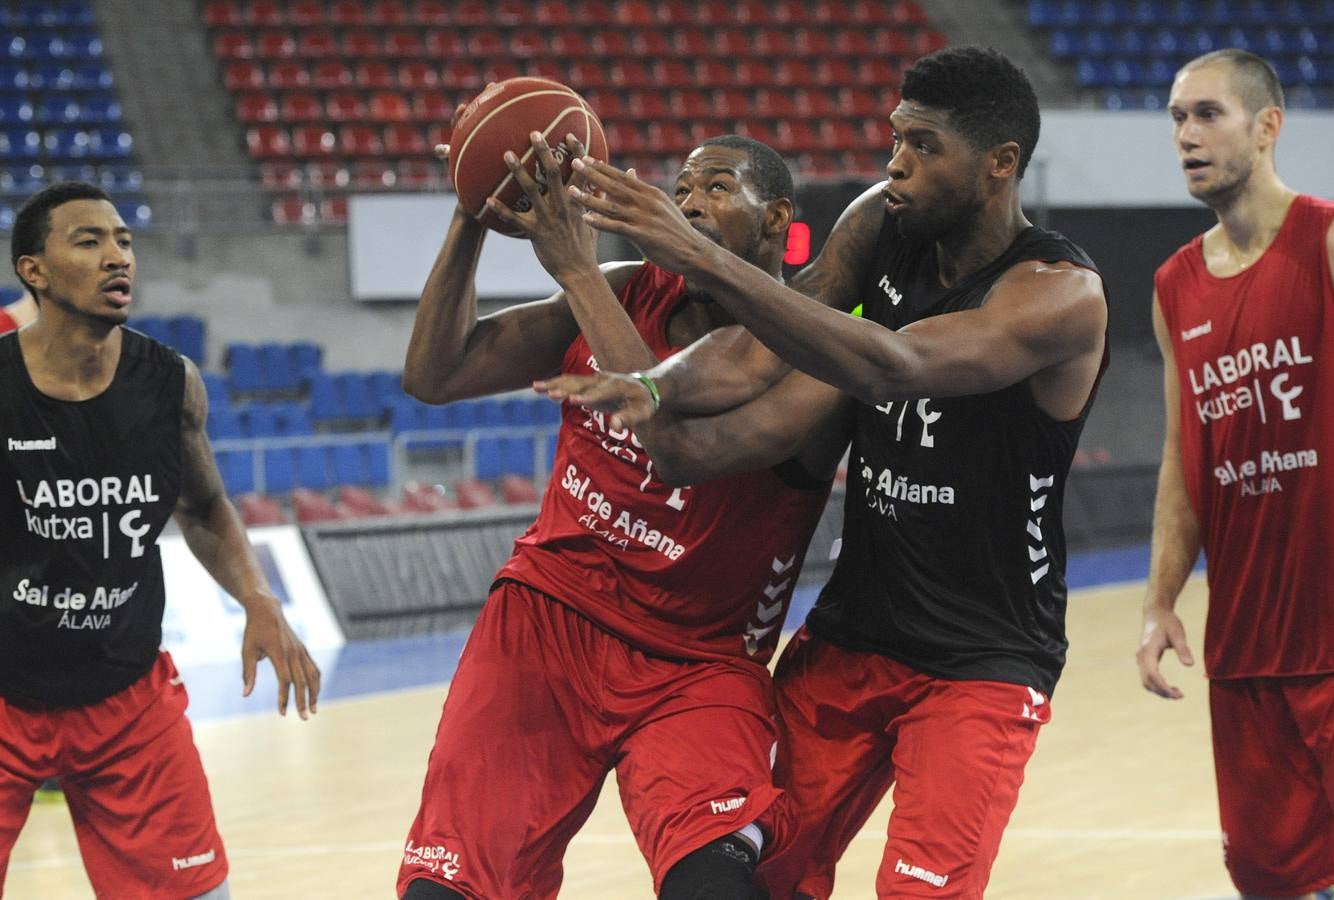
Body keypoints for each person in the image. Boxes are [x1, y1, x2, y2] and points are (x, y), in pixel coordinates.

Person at [543, 45, 1109, 897]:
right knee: (756, 877)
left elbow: (888, 364)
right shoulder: (881, 220)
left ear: (1000, 165)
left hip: (983, 658)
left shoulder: (1060, 295)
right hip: (854, 632)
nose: (895, 164)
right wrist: (654, 383)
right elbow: (776, 337)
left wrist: (697, 257)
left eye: (922, 146)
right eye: (895, 139)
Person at [396, 129, 841, 899]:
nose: (691, 204)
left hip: (698, 660)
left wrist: (575, 269)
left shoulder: (806, 346)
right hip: (547, 621)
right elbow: (437, 373)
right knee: (444, 890)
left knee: (716, 888)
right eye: (684, 190)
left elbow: (669, 439)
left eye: (716, 189)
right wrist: (473, 212)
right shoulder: (628, 284)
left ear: (776, 221)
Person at [1, 181, 322, 899]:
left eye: (124, 241)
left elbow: (204, 507)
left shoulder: (170, 383)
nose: (118, 257)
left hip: (127, 701)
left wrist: (257, 597)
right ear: (34, 270)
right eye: (89, 241)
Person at [1135, 49, 1334, 900]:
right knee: (1278, 882)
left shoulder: (1333, 241)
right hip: (1248, 649)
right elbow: (1182, 458)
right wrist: (1158, 601)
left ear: (1268, 126)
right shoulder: (1173, 286)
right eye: (1178, 118)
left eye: (1208, 114)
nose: (1187, 135)